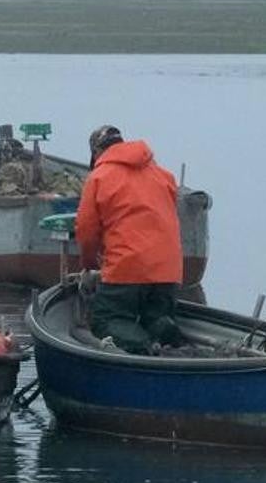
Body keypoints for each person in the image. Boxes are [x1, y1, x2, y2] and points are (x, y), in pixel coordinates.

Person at [75, 125, 184, 354]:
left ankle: (145, 348)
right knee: (156, 316)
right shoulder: (163, 176)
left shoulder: (99, 177)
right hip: (169, 270)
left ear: (96, 153)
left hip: (126, 270)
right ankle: (168, 337)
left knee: (107, 319)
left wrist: (89, 265)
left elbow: (86, 231)